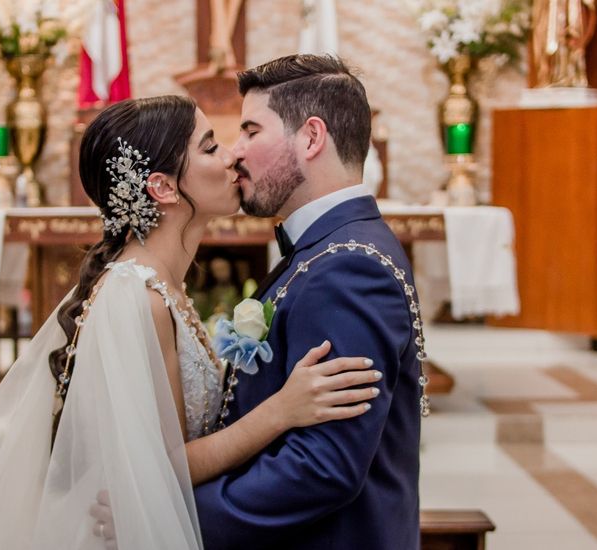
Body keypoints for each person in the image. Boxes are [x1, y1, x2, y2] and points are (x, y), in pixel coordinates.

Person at [0, 94, 382, 550]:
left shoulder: (163, 286)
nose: (232, 157)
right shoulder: (137, 296)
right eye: (210, 147)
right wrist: (281, 410)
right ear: (163, 187)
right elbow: (165, 463)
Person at [189, 54, 428, 549]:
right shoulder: (335, 247)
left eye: (251, 131)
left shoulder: (346, 268)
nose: (236, 153)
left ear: (311, 138)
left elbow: (323, 466)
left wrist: (183, 515)